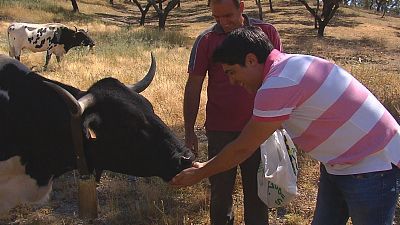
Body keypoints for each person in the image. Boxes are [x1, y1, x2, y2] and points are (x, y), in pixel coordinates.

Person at [173, 26, 400, 225]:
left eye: (232, 72)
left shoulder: (277, 84)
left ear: (251, 60)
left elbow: (243, 147)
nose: (232, 81)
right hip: (340, 165)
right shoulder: (292, 64)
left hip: (371, 166)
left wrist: (201, 173)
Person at [183, 0, 282, 224]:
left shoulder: (266, 32)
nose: (223, 23)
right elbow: (193, 87)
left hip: (259, 128)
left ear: (242, 7)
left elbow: (279, 76)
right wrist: (189, 131)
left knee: (258, 194)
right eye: (216, 18)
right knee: (220, 193)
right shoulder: (206, 40)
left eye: (228, 16)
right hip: (221, 130)